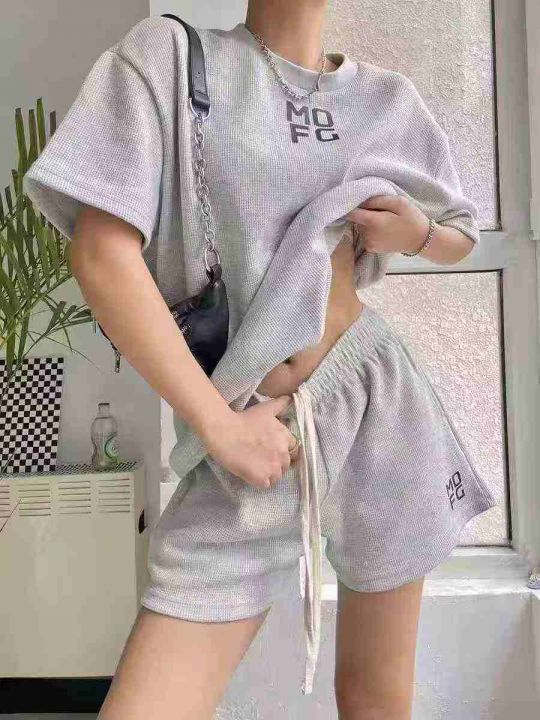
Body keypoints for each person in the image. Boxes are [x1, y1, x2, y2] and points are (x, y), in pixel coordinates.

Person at [23, 1, 497, 717]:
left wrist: (417, 233)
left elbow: (461, 233)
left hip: (380, 408)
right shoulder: (167, 59)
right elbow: (100, 253)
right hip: (252, 429)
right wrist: (219, 427)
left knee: (375, 698)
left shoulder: (388, 101)